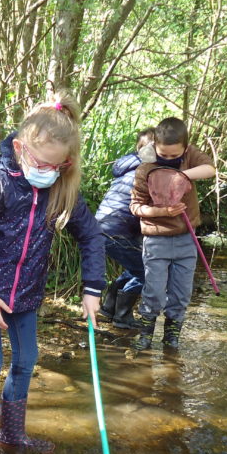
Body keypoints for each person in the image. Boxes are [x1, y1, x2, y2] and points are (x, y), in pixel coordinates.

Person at [0, 92, 106, 454]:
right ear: (20, 148)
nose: (48, 170)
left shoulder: (60, 187)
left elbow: (91, 237)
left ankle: (12, 433)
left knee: (26, 361)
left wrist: (92, 289)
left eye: (58, 165)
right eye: (41, 163)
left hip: (26, 295)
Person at [129, 116, 216, 350]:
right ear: (154, 146)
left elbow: (210, 169)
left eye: (173, 156)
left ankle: (171, 337)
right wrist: (163, 211)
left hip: (186, 238)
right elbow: (135, 207)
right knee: (155, 291)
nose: (168, 160)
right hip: (156, 240)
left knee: (181, 293)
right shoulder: (145, 168)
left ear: (185, 148)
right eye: (163, 155)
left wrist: (183, 175)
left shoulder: (189, 157)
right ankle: (146, 334)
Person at [95, 128, 155, 330]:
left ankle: (109, 307)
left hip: (103, 227)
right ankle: (122, 316)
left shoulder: (128, 166)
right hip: (117, 229)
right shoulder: (148, 170)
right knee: (147, 272)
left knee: (136, 267)